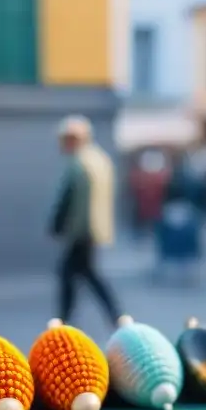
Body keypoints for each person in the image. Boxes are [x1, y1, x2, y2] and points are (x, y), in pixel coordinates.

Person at [50, 116, 121, 327]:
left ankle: (64, 320)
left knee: (74, 273)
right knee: (83, 273)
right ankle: (114, 315)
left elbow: (69, 198)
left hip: (82, 229)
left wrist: (58, 224)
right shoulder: (100, 160)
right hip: (95, 228)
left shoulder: (79, 163)